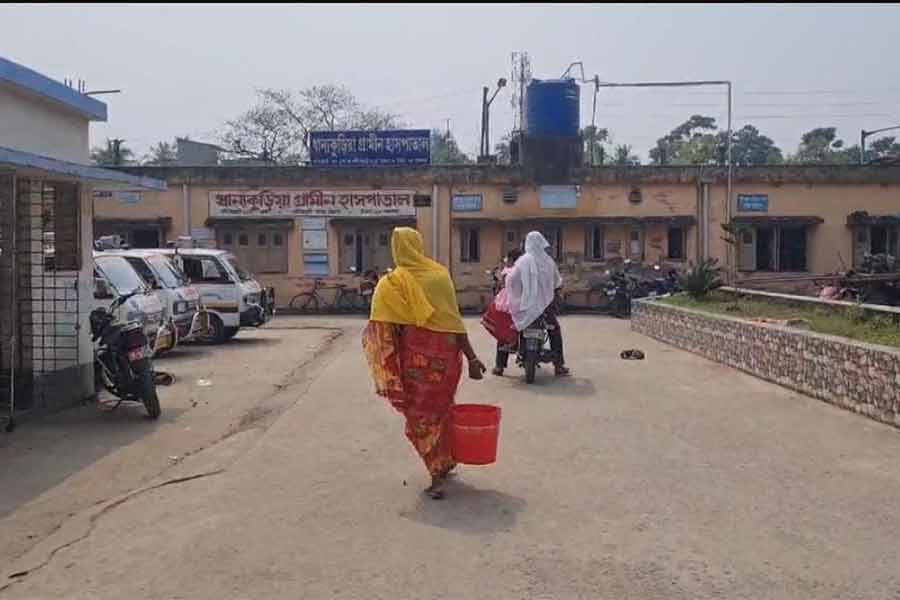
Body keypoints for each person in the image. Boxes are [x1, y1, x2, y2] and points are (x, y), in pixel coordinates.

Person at [362, 227, 486, 500]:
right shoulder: (439, 276)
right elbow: (454, 321)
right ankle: (445, 460)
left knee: (420, 417)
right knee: (441, 410)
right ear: (418, 246)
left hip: (415, 363)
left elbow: (384, 331)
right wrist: (472, 357)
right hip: (447, 360)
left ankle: (436, 473)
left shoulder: (392, 283)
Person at [503, 231, 570, 377]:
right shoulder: (548, 261)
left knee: (508, 327)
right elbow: (557, 281)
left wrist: (516, 296)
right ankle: (559, 365)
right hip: (544, 308)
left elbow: (511, 280)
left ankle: (499, 365)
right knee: (555, 331)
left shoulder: (522, 261)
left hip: (524, 308)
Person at [491, 248, 523, 376]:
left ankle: (499, 366)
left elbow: (501, 283)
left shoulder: (507, 271)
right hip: (523, 305)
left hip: (506, 305)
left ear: (510, 260)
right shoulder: (525, 270)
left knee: (502, 334)